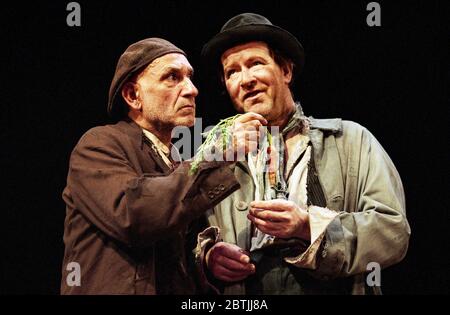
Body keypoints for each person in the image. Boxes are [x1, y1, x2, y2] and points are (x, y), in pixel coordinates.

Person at [194, 13, 410, 294]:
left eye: (256, 63)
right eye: (232, 72)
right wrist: (208, 259)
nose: (245, 80)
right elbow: (178, 245)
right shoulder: (214, 158)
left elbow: (392, 231)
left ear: (286, 71)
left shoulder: (350, 140)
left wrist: (308, 226)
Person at [60, 38, 241, 294]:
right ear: (133, 95)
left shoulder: (175, 160)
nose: (191, 89)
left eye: (189, 77)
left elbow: (176, 252)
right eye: (172, 77)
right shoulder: (98, 145)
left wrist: (208, 257)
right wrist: (220, 155)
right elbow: (134, 214)